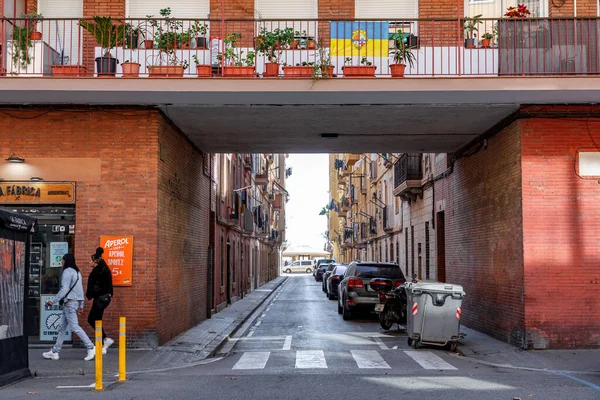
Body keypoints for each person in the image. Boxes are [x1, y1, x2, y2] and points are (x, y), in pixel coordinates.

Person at [43, 254, 95, 361]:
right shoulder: (77, 272)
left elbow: (64, 289)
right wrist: (81, 305)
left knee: (75, 327)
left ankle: (91, 347)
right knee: (62, 328)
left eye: (62, 260)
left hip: (69, 304)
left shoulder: (67, 272)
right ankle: (55, 351)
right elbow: (80, 290)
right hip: (73, 303)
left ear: (65, 261)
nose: (61, 262)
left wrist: (52, 301)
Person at [86, 247, 114, 354]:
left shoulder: (99, 271)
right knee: (96, 319)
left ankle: (105, 341)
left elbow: (96, 286)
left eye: (91, 260)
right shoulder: (102, 269)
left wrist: (93, 293)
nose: (89, 261)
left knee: (93, 319)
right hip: (102, 298)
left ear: (95, 261)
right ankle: (103, 343)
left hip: (100, 298)